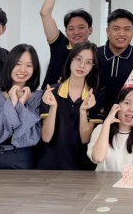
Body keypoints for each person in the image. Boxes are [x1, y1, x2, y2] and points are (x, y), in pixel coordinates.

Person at [37, 41, 104, 170]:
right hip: (50, 166)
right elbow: (46, 137)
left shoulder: (96, 96)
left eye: (88, 62)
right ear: (70, 60)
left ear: (92, 67)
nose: (82, 65)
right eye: (78, 59)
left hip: (82, 168)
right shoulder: (51, 92)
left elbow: (85, 139)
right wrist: (53, 108)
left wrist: (83, 112)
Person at [0, 44, 43, 169]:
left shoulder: (37, 97)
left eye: (29, 65)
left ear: (34, 69)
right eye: (18, 64)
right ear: (9, 65)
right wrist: (11, 102)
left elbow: (27, 137)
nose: (23, 69)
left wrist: (20, 104)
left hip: (21, 158)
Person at [87, 63, 133, 171]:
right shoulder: (101, 129)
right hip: (104, 182)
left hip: (132, 182)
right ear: (117, 105)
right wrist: (107, 123)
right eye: (127, 103)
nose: (131, 109)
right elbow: (98, 158)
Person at [96, 9, 133, 119]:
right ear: (107, 31)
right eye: (116, 29)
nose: (121, 34)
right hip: (94, 120)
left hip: (130, 122)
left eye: (127, 29)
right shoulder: (94, 55)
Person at [39, 0, 95, 88]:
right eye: (71, 28)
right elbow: (45, 13)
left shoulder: (94, 53)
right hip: (48, 97)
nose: (76, 32)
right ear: (66, 32)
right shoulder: (59, 44)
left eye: (81, 28)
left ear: (90, 30)